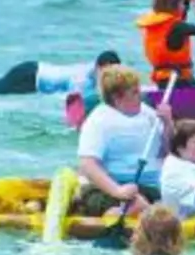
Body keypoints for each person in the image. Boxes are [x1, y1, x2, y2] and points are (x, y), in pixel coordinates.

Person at [75, 66, 175, 217]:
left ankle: (147, 213)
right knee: (136, 203)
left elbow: (169, 152)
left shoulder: (149, 114)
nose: (140, 95)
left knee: (150, 200)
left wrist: (168, 123)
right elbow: (88, 164)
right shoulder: (99, 120)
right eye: (134, 92)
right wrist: (117, 191)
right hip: (108, 189)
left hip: (148, 187)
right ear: (118, 98)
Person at [136, 0, 195, 87]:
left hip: (161, 79)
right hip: (178, 79)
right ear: (174, 6)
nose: (183, 6)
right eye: (181, 4)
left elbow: (179, 19)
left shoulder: (158, 24)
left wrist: (187, 1)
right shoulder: (177, 27)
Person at [0, 51, 121, 96]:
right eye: (109, 71)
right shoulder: (83, 79)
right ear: (101, 66)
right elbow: (72, 100)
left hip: (32, 70)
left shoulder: (92, 70)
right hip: (29, 78)